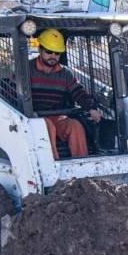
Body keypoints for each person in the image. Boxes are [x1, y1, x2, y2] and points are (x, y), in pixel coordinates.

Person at [30, 29, 102, 159]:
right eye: (49, 52)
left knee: (75, 126)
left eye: (57, 53)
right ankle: (53, 165)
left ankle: (82, 164)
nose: (53, 56)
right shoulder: (27, 70)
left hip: (56, 115)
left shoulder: (65, 74)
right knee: (47, 126)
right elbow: (12, 93)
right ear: (40, 50)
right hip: (32, 116)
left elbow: (78, 92)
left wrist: (91, 108)